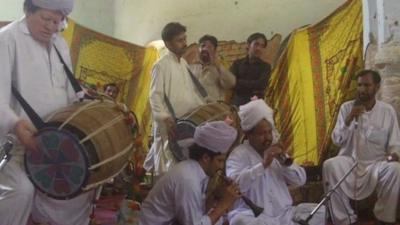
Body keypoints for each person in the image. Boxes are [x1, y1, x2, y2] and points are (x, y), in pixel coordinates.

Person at [0, 0, 94, 224]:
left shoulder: (59, 44)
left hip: (54, 141)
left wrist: (83, 100)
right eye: (46, 19)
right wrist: (15, 124)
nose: (51, 27)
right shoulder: (6, 40)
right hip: (15, 144)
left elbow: (70, 92)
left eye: (57, 20)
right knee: (21, 191)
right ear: (27, 10)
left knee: (82, 183)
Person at [226, 99, 326, 225]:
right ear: (248, 135)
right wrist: (263, 165)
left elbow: (300, 180)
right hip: (255, 216)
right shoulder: (238, 154)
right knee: (239, 221)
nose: (268, 137)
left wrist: (285, 163)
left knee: (321, 212)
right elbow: (236, 186)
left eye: (269, 132)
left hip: (285, 214)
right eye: (262, 133)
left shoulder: (275, 151)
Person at [323, 70, 400, 225]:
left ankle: (384, 218)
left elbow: (395, 144)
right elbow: (337, 140)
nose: (362, 89)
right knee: (330, 165)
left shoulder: (387, 111)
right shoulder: (347, 108)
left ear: (377, 87)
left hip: (376, 164)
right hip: (350, 162)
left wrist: (393, 155)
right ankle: (343, 218)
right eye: (359, 85)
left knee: (395, 169)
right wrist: (349, 119)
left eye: (367, 85)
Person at [139, 121, 241, 225]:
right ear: (206, 158)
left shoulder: (197, 172)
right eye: (219, 160)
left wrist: (216, 195)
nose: (221, 166)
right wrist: (223, 205)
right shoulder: (189, 179)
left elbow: (197, 212)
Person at [143, 22, 205, 177]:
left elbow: (191, 92)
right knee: (167, 171)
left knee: (184, 167)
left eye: (185, 39)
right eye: (180, 40)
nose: (185, 43)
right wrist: (165, 117)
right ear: (168, 43)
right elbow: (154, 96)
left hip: (186, 124)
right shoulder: (161, 66)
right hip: (169, 127)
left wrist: (203, 108)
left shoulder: (183, 63)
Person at [189, 35, 236, 102]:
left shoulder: (220, 67)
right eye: (203, 46)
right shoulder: (191, 67)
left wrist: (218, 65)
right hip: (194, 109)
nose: (205, 49)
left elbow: (231, 83)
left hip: (213, 109)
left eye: (209, 47)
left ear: (215, 50)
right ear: (198, 48)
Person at [230, 33, 271, 107]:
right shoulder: (237, 64)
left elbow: (261, 85)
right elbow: (231, 82)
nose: (259, 48)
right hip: (237, 104)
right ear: (248, 45)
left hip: (256, 105)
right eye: (256, 44)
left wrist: (239, 82)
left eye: (262, 46)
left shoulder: (266, 67)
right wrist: (253, 86)